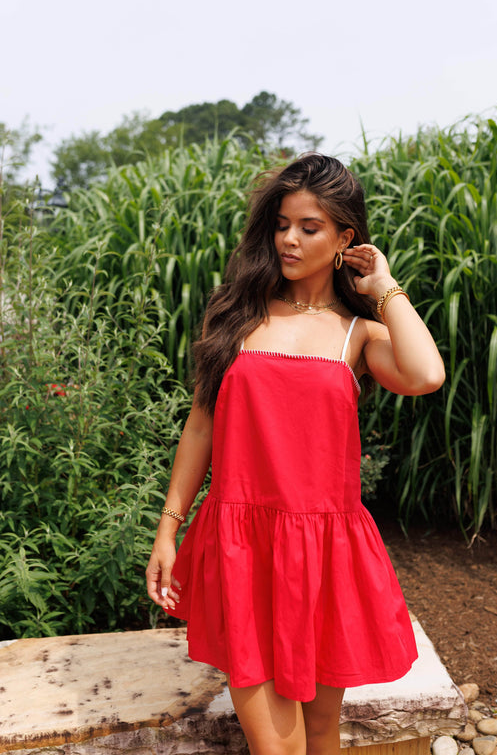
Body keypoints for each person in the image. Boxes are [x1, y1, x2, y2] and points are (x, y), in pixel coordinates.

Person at [146, 154, 445, 755]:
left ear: (345, 239)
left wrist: (383, 287)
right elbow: (201, 426)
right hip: (242, 547)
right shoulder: (239, 314)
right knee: (273, 746)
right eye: (282, 223)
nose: (288, 238)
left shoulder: (356, 334)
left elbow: (426, 373)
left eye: (310, 227)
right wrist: (168, 528)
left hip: (325, 553)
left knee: (320, 732)